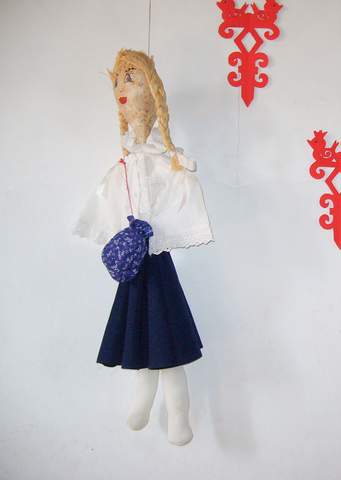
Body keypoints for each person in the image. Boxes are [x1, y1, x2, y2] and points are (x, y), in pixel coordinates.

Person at [74, 49, 213, 444]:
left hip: (158, 263)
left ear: (151, 92)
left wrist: (179, 171)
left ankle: (178, 414)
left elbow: (178, 193)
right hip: (135, 266)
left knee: (168, 348)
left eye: (132, 78)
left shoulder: (164, 159)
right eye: (119, 80)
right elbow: (109, 198)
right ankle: (142, 402)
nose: (123, 87)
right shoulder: (125, 163)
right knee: (143, 345)